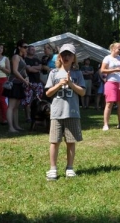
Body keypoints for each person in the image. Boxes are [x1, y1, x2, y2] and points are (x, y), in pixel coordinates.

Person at [44, 44, 86, 181]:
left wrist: (71, 83)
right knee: (54, 141)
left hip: (72, 112)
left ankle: (70, 167)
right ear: (59, 57)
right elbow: (48, 93)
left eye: (69, 55)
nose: (66, 57)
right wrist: (59, 84)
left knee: (71, 141)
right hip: (56, 113)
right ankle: (53, 168)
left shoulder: (77, 74)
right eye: (63, 54)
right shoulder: (53, 73)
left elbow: (83, 92)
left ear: (74, 58)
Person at [100, 43, 120, 131]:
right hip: (111, 82)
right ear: (113, 49)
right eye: (119, 48)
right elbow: (102, 70)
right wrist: (114, 70)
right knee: (109, 103)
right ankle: (105, 124)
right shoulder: (107, 58)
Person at [2, 39, 30, 133]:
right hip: (13, 83)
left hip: (19, 84)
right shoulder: (16, 57)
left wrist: (27, 78)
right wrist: (24, 80)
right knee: (11, 106)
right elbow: (15, 71)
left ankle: (16, 126)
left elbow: (24, 71)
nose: (27, 48)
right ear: (19, 47)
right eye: (25, 47)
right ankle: (11, 127)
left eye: (27, 47)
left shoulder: (22, 58)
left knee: (16, 107)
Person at [22, 45, 44, 122]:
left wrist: (32, 68)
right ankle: (28, 117)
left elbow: (40, 67)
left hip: (38, 82)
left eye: (34, 49)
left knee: (37, 100)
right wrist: (35, 68)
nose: (33, 51)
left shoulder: (37, 59)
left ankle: (36, 115)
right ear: (27, 50)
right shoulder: (25, 59)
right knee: (27, 100)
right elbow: (28, 69)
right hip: (29, 82)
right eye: (31, 49)